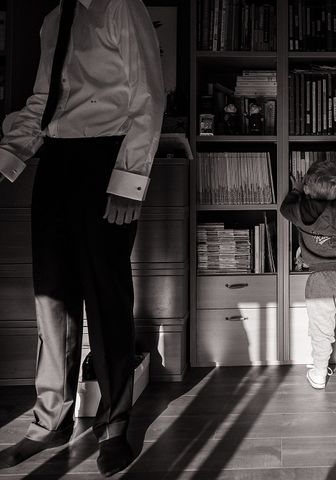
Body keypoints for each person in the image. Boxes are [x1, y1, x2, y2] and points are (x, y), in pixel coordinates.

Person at [0, 0, 164, 476]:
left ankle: (115, 424)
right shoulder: (53, 17)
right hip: (55, 162)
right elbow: (42, 100)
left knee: (106, 295)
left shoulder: (120, 6)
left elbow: (147, 96)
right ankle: (50, 422)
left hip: (106, 159)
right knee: (51, 295)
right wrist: (7, 158)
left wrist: (129, 182)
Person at [280, 161, 336, 390]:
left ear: (308, 189)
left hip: (318, 278)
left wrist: (297, 189)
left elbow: (284, 207)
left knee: (320, 329)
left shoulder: (298, 210)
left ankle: (319, 373)